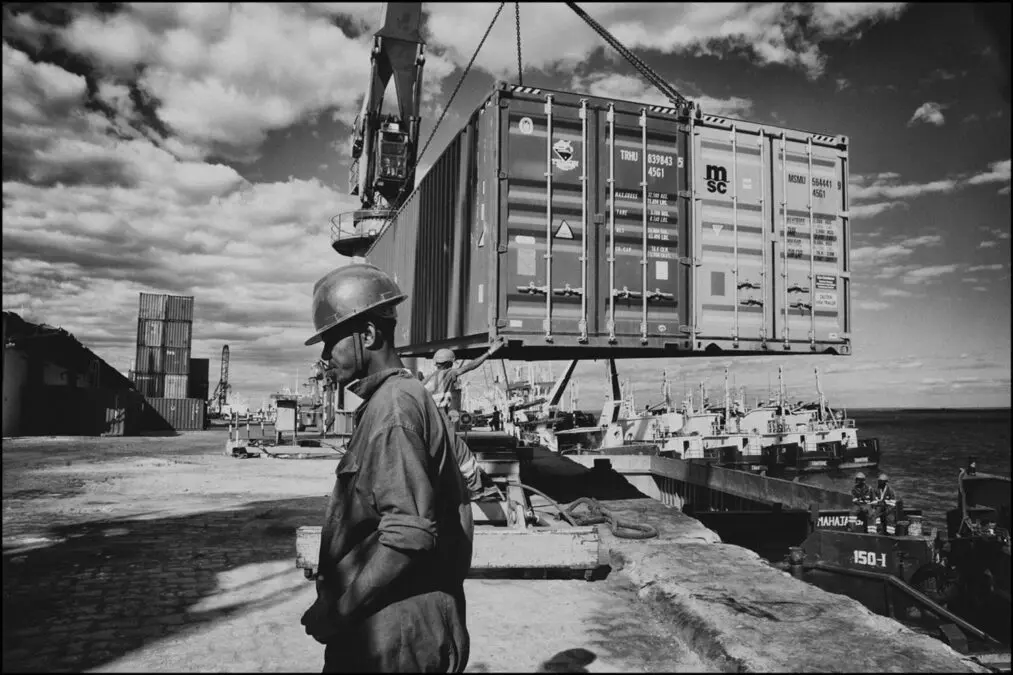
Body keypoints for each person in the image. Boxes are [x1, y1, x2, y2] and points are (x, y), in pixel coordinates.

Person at [299, 263, 472, 673]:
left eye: (332, 341)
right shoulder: (394, 401)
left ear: (370, 335)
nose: (326, 356)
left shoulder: (395, 409)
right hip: (390, 624)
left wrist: (338, 613)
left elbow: (407, 537)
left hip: (395, 636)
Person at [423, 342, 507, 432]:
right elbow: (470, 366)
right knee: (456, 445)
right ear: (449, 363)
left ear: (436, 362)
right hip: (439, 416)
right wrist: (489, 352)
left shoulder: (427, 378)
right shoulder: (448, 373)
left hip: (426, 416)